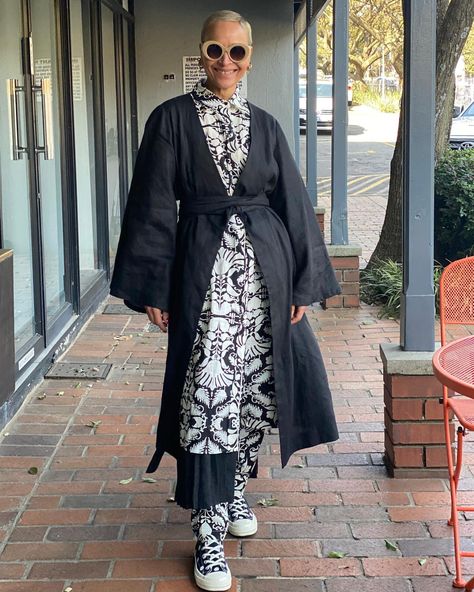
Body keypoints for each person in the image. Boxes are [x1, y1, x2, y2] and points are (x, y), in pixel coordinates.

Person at [110, 9, 340, 592]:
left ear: (251, 56)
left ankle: (235, 488)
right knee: (208, 395)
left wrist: (303, 285)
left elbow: (291, 198)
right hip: (203, 280)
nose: (226, 63)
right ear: (202, 53)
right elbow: (154, 205)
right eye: (216, 51)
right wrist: (155, 287)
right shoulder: (171, 120)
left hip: (266, 279)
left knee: (254, 388)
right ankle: (207, 530)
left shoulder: (264, 124)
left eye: (237, 52)